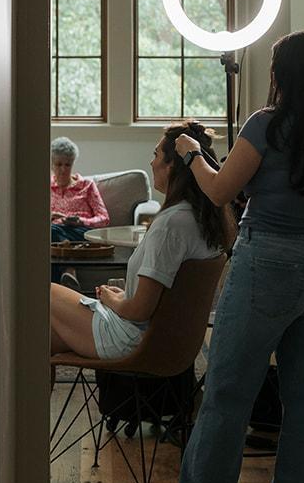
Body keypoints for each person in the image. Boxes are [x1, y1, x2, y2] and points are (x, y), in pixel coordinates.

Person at [146, 31, 304, 483]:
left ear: (283, 75)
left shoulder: (267, 124)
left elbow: (221, 190)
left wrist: (192, 153)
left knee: (228, 390)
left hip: (268, 262)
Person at [49, 122, 225, 361]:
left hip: (129, 338)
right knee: (45, 335)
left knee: (43, 292)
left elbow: (139, 311)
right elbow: (155, 298)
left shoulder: (170, 225)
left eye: (156, 155)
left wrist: (111, 299)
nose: (151, 162)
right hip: (166, 338)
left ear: (171, 165)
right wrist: (124, 296)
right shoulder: (200, 218)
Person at [49, 136, 108, 242]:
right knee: (50, 231)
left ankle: (65, 245)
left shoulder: (86, 185)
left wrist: (80, 221)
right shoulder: (45, 187)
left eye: (67, 165)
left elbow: (104, 218)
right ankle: (65, 245)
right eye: (58, 164)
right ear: (52, 165)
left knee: (52, 232)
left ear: (73, 164)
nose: (63, 169)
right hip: (54, 230)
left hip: (80, 231)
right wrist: (51, 216)